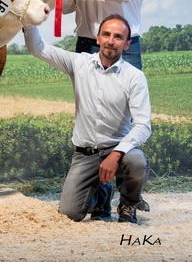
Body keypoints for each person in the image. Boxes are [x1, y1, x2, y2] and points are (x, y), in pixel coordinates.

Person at [23, 14, 151, 223]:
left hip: (118, 151)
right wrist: (28, 18)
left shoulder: (135, 77)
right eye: (106, 34)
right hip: (86, 155)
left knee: (137, 161)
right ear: (97, 38)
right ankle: (102, 193)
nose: (111, 41)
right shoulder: (78, 63)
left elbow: (143, 126)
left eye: (118, 37)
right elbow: (38, 48)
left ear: (127, 44)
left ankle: (128, 204)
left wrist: (116, 154)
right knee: (69, 214)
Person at [69, 0, 151, 213]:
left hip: (125, 46)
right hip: (87, 44)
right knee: (92, 115)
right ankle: (100, 198)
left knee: (127, 120)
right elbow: (67, 6)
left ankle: (129, 195)